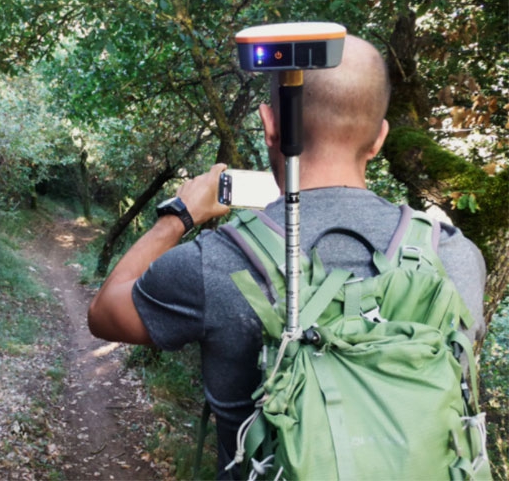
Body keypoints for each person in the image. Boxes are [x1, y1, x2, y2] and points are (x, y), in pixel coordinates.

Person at [87, 35, 487, 479]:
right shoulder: (453, 257)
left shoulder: (218, 261)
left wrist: (179, 216)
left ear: (269, 125)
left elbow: (105, 313)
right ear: (379, 139)